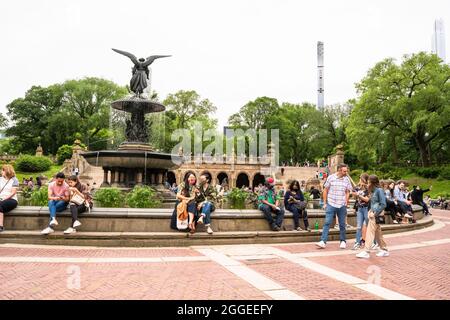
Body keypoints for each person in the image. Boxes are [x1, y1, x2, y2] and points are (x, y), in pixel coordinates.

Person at [316, 163, 353, 249]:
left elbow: (348, 191)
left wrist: (346, 201)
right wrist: (325, 203)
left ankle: (343, 241)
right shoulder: (331, 177)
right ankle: (323, 241)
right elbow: (325, 190)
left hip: (342, 205)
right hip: (331, 203)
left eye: (346, 171)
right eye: (344, 171)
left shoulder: (346, 179)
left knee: (342, 224)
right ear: (339, 170)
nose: (346, 172)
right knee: (327, 222)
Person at [356, 175, 389, 258]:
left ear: (372, 182)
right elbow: (373, 203)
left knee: (369, 232)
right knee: (378, 233)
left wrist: (375, 213)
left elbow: (383, 204)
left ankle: (366, 251)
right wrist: (370, 211)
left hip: (375, 214)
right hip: (372, 213)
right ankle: (384, 249)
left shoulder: (379, 190)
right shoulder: (373, 191)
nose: (367, 184)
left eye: (368, 182)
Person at [351, 173, 370, 250]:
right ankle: (357, 243)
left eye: (361, 179)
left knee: (369, 226)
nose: (360, 180)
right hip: (359, 209)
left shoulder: (368, 188)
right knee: (359, 226)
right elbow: (352, 194)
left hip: (366, 209)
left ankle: (373, 242)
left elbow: (367, 199)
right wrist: (355, 193)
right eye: (360, 179)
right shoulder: (358, 188)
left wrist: (359, 195)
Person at [0, 165, 20, 232]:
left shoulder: (14, 180)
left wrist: (4, 198)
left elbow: (13, 192)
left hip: (11, 199)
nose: (1, 171)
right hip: (1, 198)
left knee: (0, 205)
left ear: (7, 171)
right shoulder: (0, 179)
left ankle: (1, 226)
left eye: (2, 170)